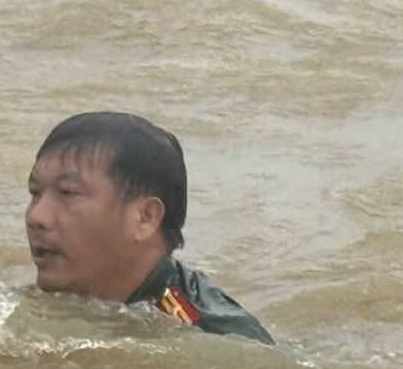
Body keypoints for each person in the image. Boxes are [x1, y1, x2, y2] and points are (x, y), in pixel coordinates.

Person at [24, 111, 275, 343]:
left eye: (68, 193)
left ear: (145, 218)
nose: (37, 216)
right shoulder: (56, 299)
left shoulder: (212, 337)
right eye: (35, 192)